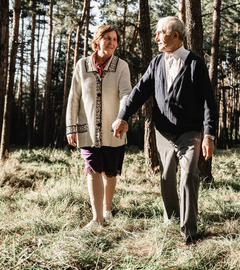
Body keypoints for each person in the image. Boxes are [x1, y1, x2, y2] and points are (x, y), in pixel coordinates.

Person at [112, 16, 217, 244]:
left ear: (176, 36)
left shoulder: (195, 63)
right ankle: (171, 219)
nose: (157, 37)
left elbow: (209, 101)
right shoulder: (157, 63)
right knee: (167, 176)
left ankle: (189, 232)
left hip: (190, 132)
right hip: (164, 133)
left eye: (161, 32)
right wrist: (122, 116)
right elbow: (139, 92)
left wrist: (208, 134)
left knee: (189, 174)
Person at [66, 25, 132, 228]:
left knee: (110, 172)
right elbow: (74, 97)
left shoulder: (122, 66)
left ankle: (107, 209)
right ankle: (97, 219)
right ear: (97, 41)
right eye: (107, 38)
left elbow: (126, 94)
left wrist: (122, 117)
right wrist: (71, 126)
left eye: (114, 39)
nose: (111, 42)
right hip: (87, 130)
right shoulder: (82, 65)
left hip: (114, 131)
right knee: (93, 169)